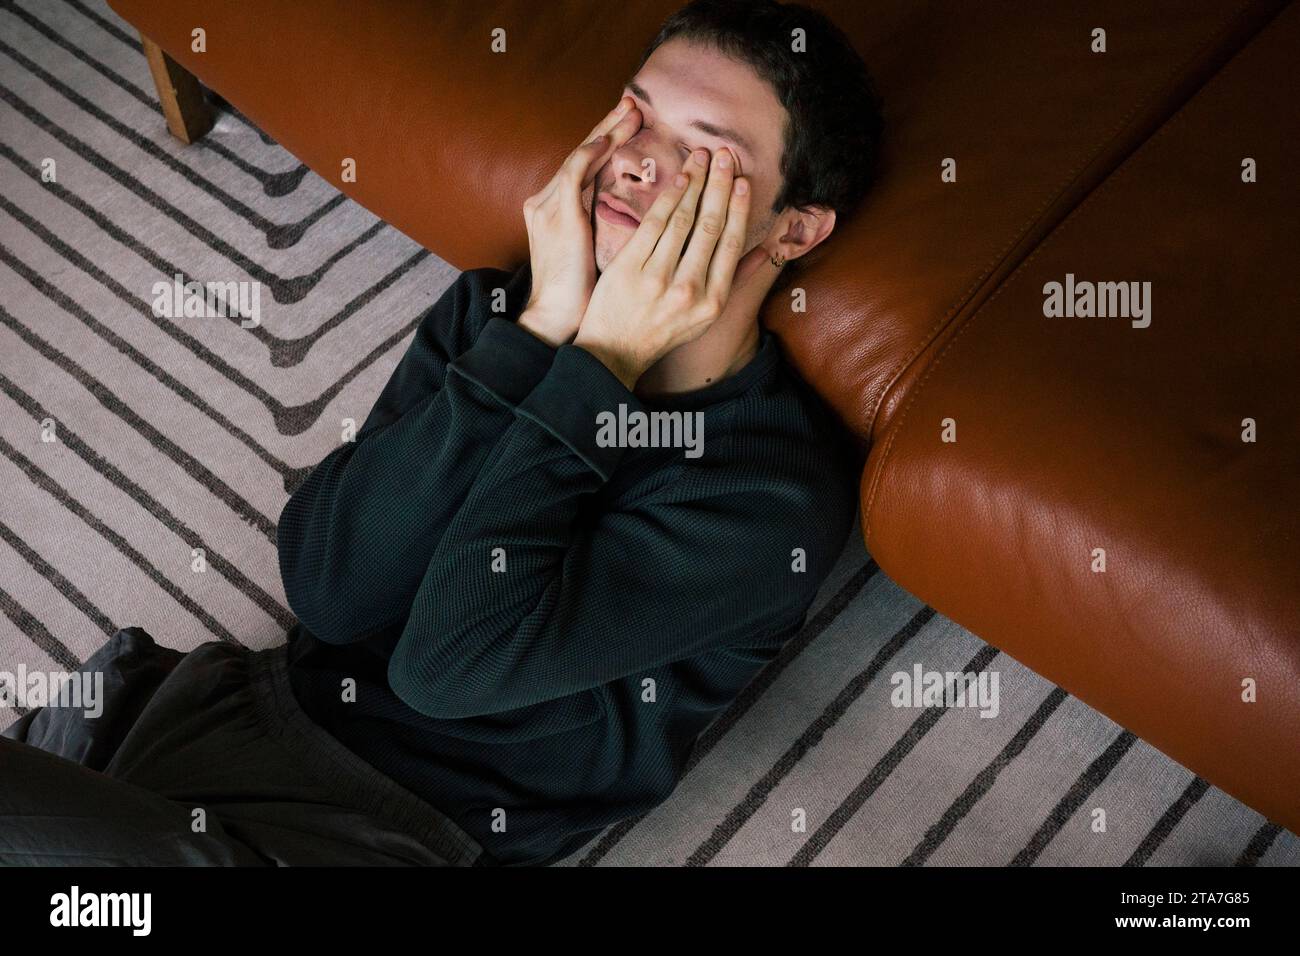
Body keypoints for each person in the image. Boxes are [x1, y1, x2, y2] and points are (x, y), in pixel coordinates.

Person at [0, 0, 884, 867]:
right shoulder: (507, 312)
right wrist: (537, 338)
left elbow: (449, 666)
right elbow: (328, 588)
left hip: (380, 831)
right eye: (636, 117)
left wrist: (603, 363)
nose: (635, 163)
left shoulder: (767, 495)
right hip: (200, 725)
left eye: (701, 151)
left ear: (794, 228)